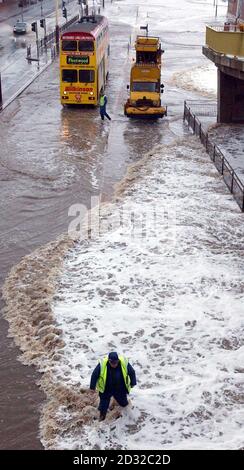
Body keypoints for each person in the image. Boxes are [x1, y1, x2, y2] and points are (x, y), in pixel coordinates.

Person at [90, 352, 136, 421]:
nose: (114, 364)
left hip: (120, 388)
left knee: (124, 403)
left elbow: (132, 372)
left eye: (116, 362)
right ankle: (101, 419)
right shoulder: (102, 365)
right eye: (112, 363)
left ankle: (129, 418)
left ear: (118, 360)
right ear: (109, 361)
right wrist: (92, 387)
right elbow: (94, 375)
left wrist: (133, 382)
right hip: (106, 389)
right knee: (103, 406)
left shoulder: (124, 363)